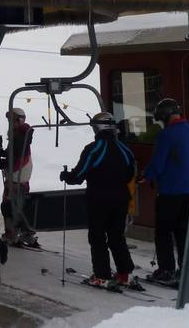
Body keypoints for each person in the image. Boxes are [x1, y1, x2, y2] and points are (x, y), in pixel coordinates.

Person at [60, 111, 140, 289]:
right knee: (117, 236)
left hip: (99, 199)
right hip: (121, 198)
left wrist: (67, 176)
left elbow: (79, 175)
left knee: (97, 236)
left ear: (98, 128)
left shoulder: (94, 148)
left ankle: (102, 275)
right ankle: (124, 274)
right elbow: (131, 173)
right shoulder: (124, 148)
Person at [141, 97, 189, 285]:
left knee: (163, 232)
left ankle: (166, 270)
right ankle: (188, 271)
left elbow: (158, 163)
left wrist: (147, 176)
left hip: (169, 191)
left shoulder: (166, 135)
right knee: (184, 232)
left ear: (164, 116)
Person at [0, 107, 37, 246]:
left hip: (16, 176)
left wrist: (5, 162)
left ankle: (11, 234)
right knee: (19, 206)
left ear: (19, 120)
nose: (10, 123)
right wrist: (4, 154)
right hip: (19, 175)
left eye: (12, 120)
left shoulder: (20, 135)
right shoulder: (20, 135)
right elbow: (14, 152)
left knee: (8, 206)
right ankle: (25, 233)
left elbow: (16, 154)